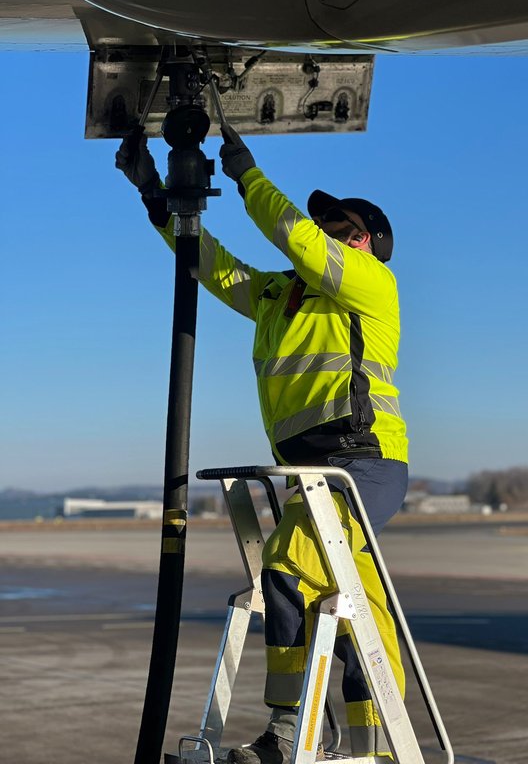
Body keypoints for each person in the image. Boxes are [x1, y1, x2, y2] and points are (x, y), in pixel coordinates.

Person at [116, 124, 410, 763]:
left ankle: (286, 732)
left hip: (363, 465)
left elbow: (295, 236)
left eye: (336, 220)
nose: (322, 224)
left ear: (362, 241)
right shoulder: (282, 295)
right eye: (323, 218)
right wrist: (153, 192)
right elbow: (211, 265)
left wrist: (247, 174)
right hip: (309, 471)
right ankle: (374, 743)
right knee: (359, 608)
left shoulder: (367, 282)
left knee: (284, 569)